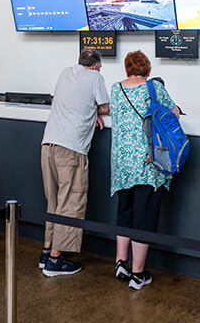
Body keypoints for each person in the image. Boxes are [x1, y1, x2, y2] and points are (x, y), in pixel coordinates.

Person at [109, 51, 181, 290]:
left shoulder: (116, 89)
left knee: (124, 211)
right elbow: (172, 114)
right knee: (144, 218)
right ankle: (137, 275)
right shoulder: (154, 88)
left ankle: (121, 262)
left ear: (127, 69)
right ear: (148, 70)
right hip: (147, 164)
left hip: (121, 165)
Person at [39, 49, 110, 276]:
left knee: (54, 202)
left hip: (48, 146)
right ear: (96, 66)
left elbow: (71, 101)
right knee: (71, 203)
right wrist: (96, 111)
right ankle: (55, 261)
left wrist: (91, 112)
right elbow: (106, 106)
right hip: (71, 150)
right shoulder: (95, 77)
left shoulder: (65, 72)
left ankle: (47, 250)